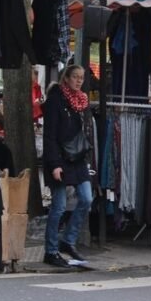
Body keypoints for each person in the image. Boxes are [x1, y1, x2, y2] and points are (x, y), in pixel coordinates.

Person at [42, 65, 93, 267]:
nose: (79, 81)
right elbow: (50, 135)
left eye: (81, 78)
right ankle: (51, 250)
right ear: (66, 78)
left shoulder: (81, 101)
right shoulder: (56, 100)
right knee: (59, 206)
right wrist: (54, 164)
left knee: (87, 198)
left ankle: (68, 240)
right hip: (61, 159)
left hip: (77, 158)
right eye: (75, 77)